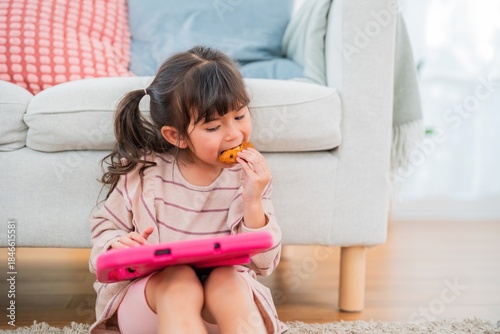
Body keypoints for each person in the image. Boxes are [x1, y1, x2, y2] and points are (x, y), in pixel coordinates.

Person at [88, 46, 285, 334]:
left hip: (221, 313)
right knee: (179, 278)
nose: (233, 134)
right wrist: (117, 243)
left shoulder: (249, 178)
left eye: (240, 116)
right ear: (176, 136)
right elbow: (104, 235)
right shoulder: (143, 171)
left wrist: (253, 199)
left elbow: (264, 263)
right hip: (153, 308)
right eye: (213, 127)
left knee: (227, 279)